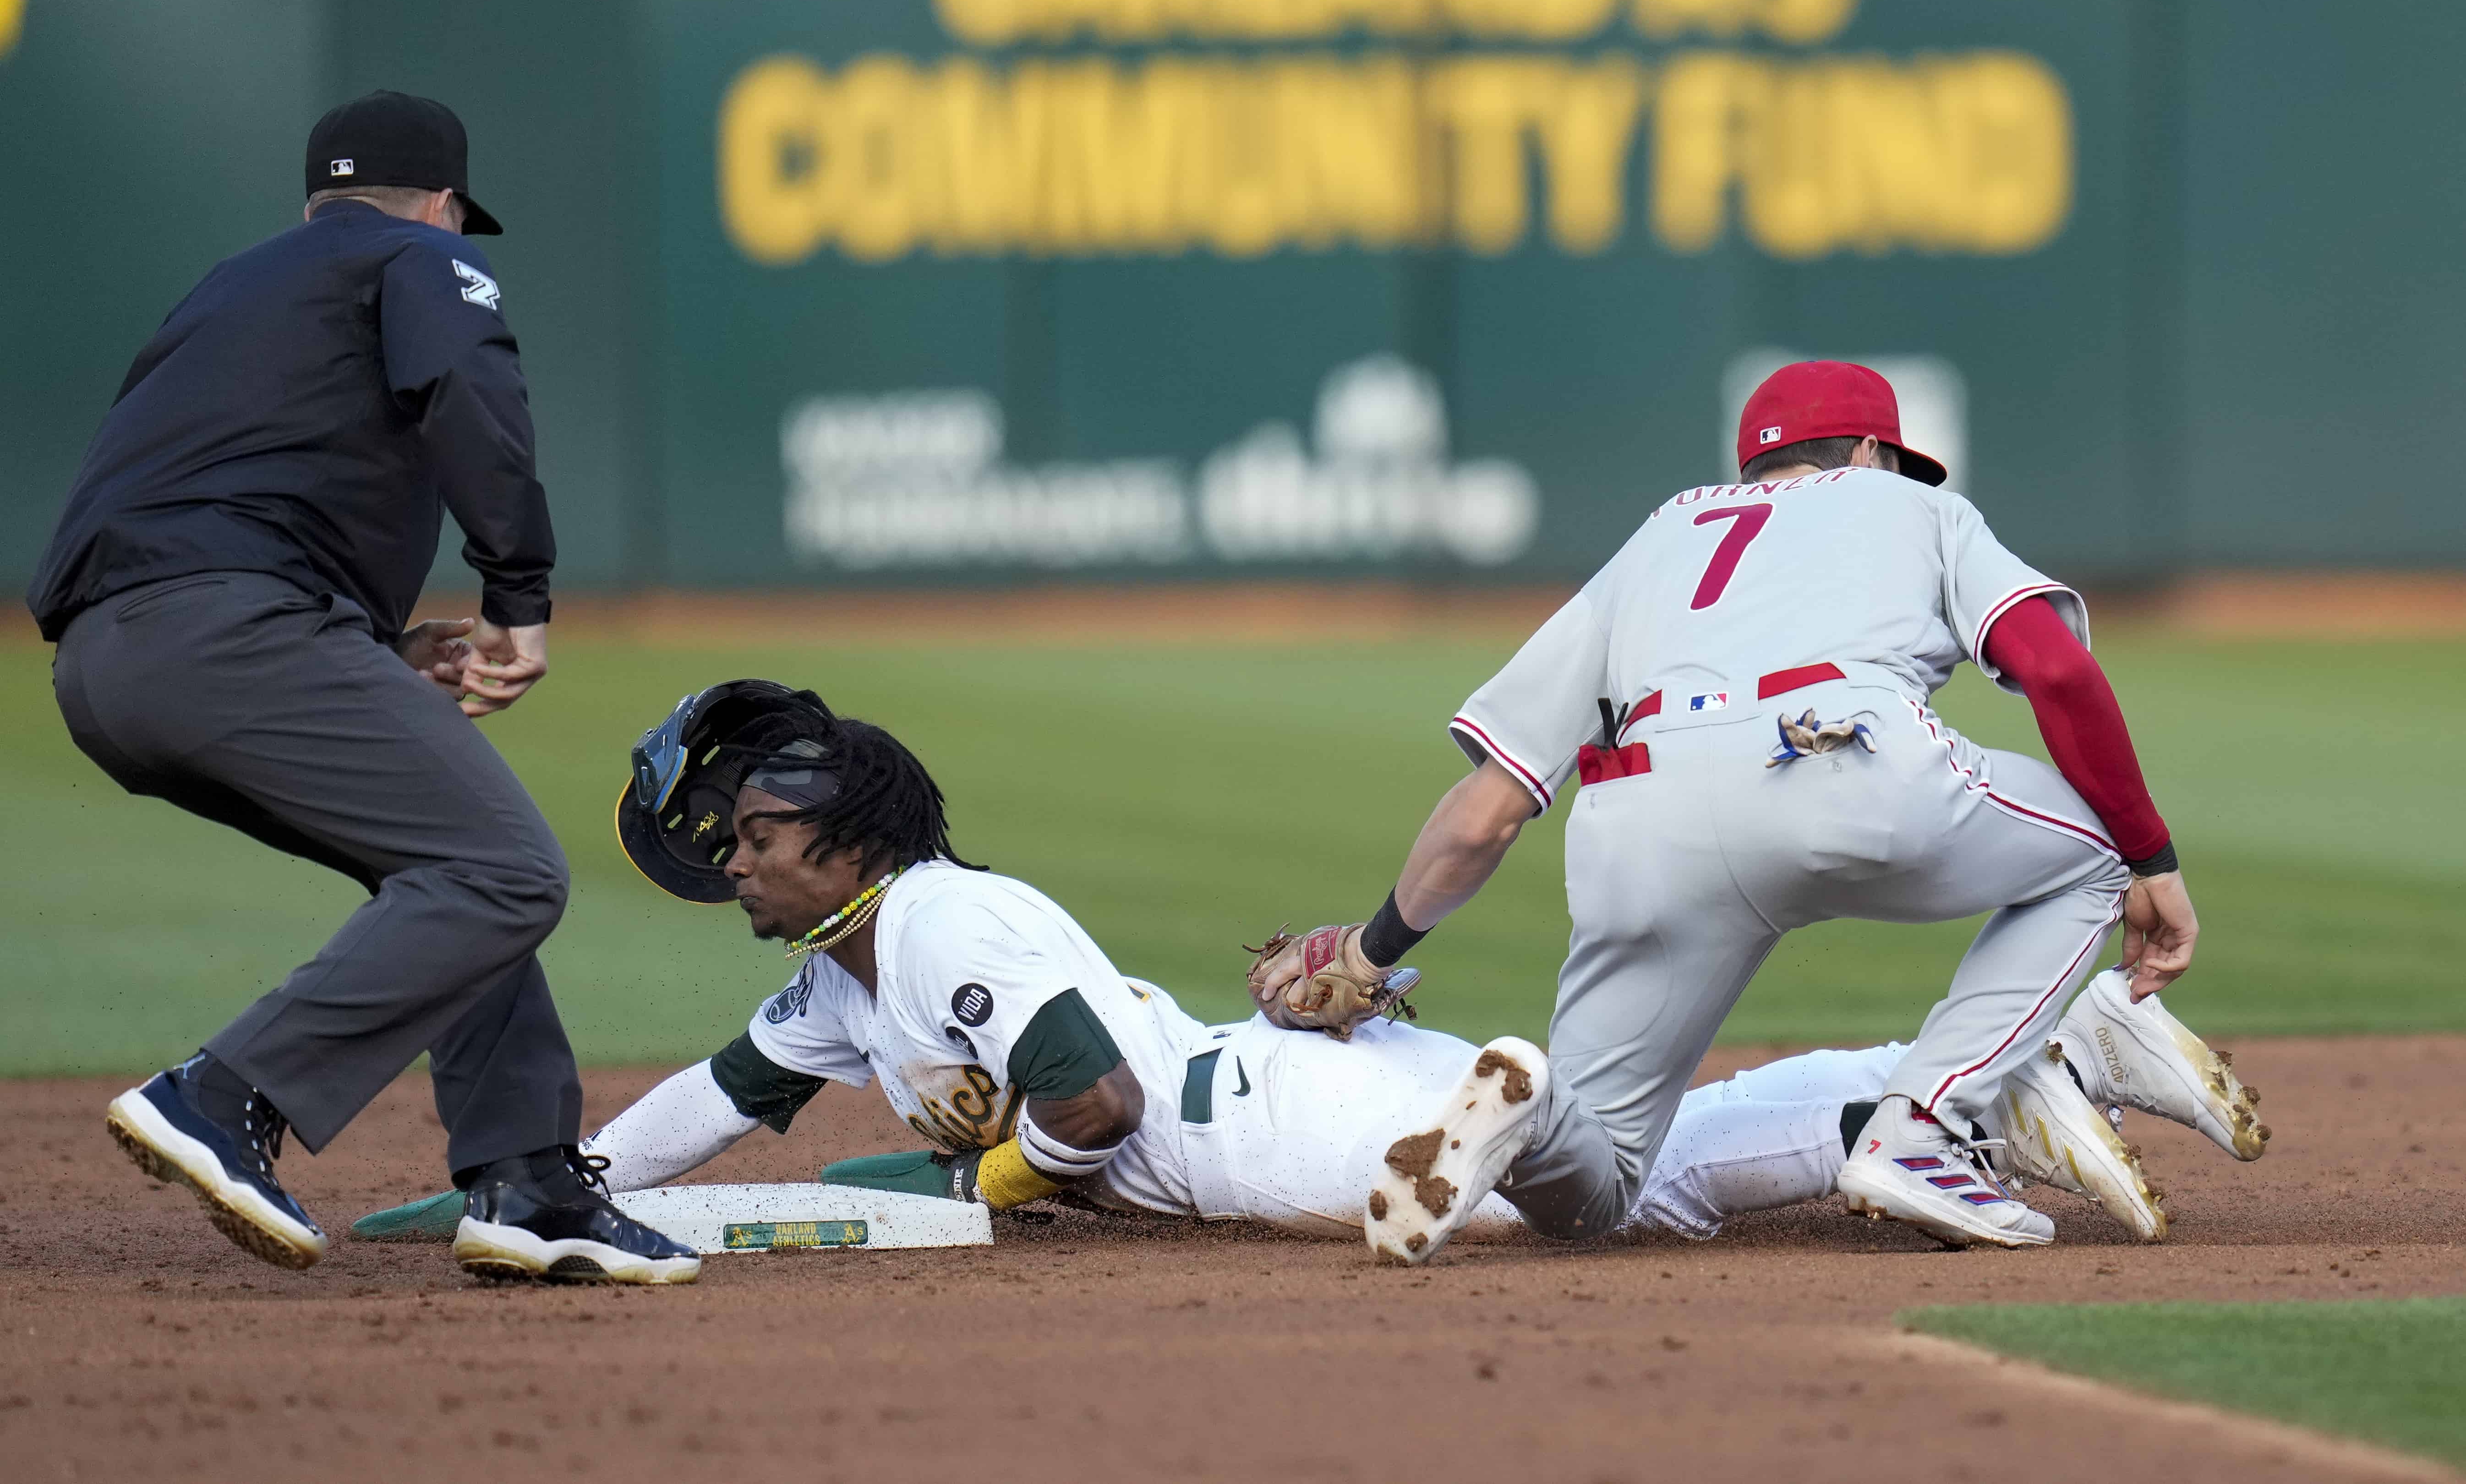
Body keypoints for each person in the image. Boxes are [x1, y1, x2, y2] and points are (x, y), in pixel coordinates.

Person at [354, 681, 2261, 1253]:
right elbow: (714, 1108)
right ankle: (2023, 1053)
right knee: (1660, 1172)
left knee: (1584, 1197)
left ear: (838, 841)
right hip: (1265, 1097)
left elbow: (1087, 1111)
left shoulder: (937, 919)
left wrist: (993, 1179)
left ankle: (1472, 1130)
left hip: (1232, 1131)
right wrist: (531, 1195)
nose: (734, 868)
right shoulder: (851, 963)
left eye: (756, 841)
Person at [1249, 360, 2251, 1264]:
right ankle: (1922, 1132)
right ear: (1868, 453)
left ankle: (1533, 1100)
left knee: (1593, 1193)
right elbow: (2057, 671)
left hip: (1638, 819)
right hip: (1841, 759)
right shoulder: (1916, 512)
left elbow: (1487, 812)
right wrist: (2151, 858)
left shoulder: (1661, 534)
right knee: (2095, 854)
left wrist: (1368, 954)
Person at [28, 91, 696, 1285]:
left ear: (311, 204)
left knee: (447, 864)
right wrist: (519, 596)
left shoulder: (234, 287)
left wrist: (371, 649)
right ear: (445, 207)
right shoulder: (423, 257)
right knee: (508, 869)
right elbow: (470, 398)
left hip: (113, 661)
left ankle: (530, 1180)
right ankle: (225, 1092)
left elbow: (204, 496)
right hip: (233, 630)